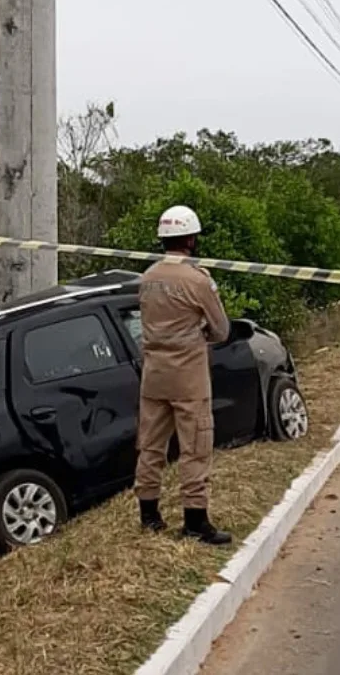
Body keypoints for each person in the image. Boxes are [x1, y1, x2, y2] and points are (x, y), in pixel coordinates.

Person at [134, 205, 232, 545]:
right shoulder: (197, 279)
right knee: (195, 446)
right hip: (188, 375)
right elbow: (221, 329)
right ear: (190, 239)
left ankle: (148, 515)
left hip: (153, 373)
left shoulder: (147, 278)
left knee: (150, 446)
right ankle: (195, 519)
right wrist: (200, 332)